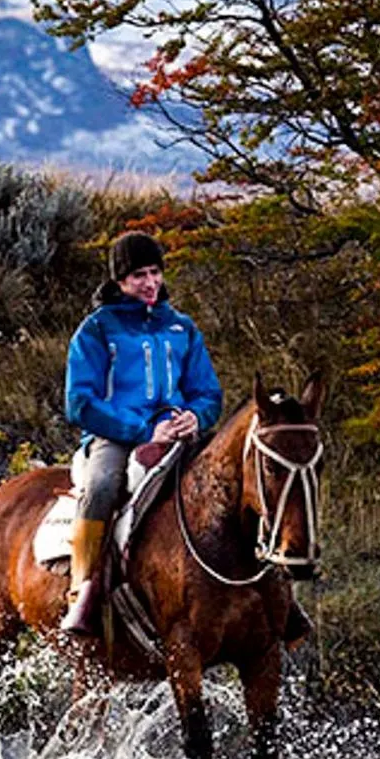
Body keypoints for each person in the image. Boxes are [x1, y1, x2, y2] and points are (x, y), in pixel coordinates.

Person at [63, 231, 222, 635]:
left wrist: (197, 418)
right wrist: (143, 430)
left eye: (154, 272)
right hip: (117, 437)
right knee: (101, 486)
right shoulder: (96, 330)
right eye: (138, 276)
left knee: (239, 479)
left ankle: (270, 594)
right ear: (119, 281)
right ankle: (82, 588)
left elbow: (208, 392)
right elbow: (79, 403)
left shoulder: (182, 327)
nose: (150, 283)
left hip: (181, 434)